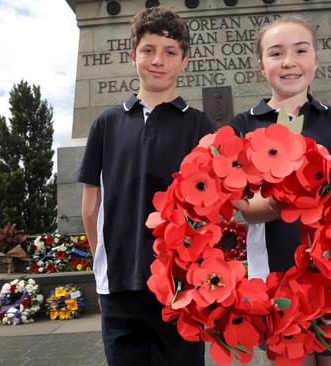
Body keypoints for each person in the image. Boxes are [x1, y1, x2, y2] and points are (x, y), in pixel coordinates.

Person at [229, 16, 331, 366]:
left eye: (301, 50)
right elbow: (246, 207)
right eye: (276, 53)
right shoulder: (243, 126)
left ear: (316, 59)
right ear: (261, 65)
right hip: (278, 277)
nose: (289, 62)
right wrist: (289, 195)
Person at [78, 7, 216, 366]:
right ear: (132, 55)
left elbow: (213, 206)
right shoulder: (105, 124)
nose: (158, 60)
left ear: (184, 60)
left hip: (181, 282)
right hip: (120, 284)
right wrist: (103, 261)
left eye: (170, 52)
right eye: (148, 50)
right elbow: (91, 205)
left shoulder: (201, 126)